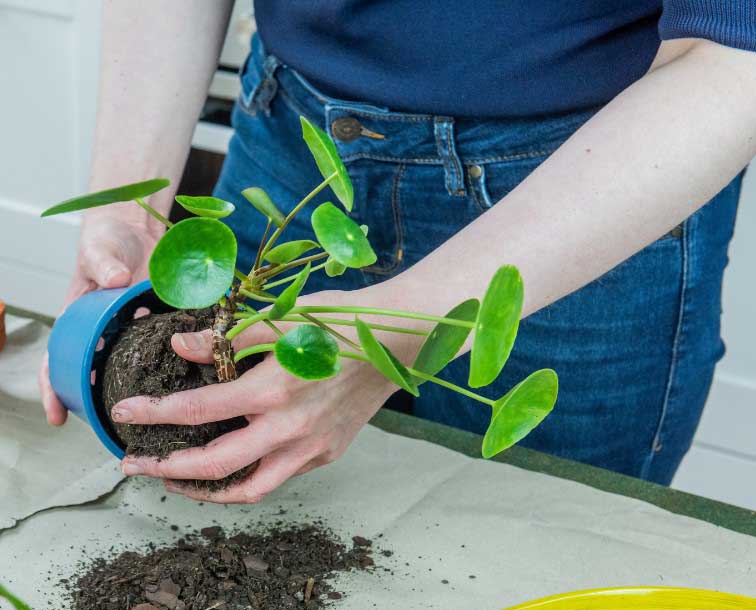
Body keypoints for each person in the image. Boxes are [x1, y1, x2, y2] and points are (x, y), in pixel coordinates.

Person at [41, 1, 756, 504]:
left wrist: (407, 322)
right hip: (295, 140)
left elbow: (737, 51)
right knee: (247, 490)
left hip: (583, 190)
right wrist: (127, 213)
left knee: (527, 549)